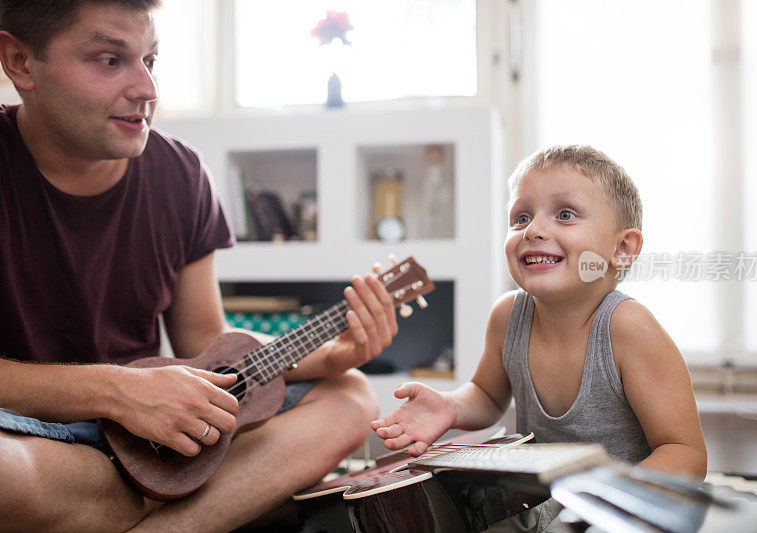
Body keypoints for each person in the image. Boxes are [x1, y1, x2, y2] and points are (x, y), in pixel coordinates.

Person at [0, 1, 398, 531]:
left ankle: (133, 514)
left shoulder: (181, 174)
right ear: (20, 62)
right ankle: (179, 504)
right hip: (27, 434)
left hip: (154, 441)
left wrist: (324, 359)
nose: (147, 89)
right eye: (109, 60)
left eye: (151, 60)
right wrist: (118, 391)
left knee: (348, 395)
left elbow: (205, 345)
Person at [371, 145, 707, 531]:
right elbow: (486, 394)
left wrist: (609, 501)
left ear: (622, 249)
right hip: (545, 500)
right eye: (521, 217)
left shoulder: (628, 327)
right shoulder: (507, 316)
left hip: (626, 508)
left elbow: (685, 454)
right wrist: (449, 407)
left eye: (565, 214)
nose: (534, 230)